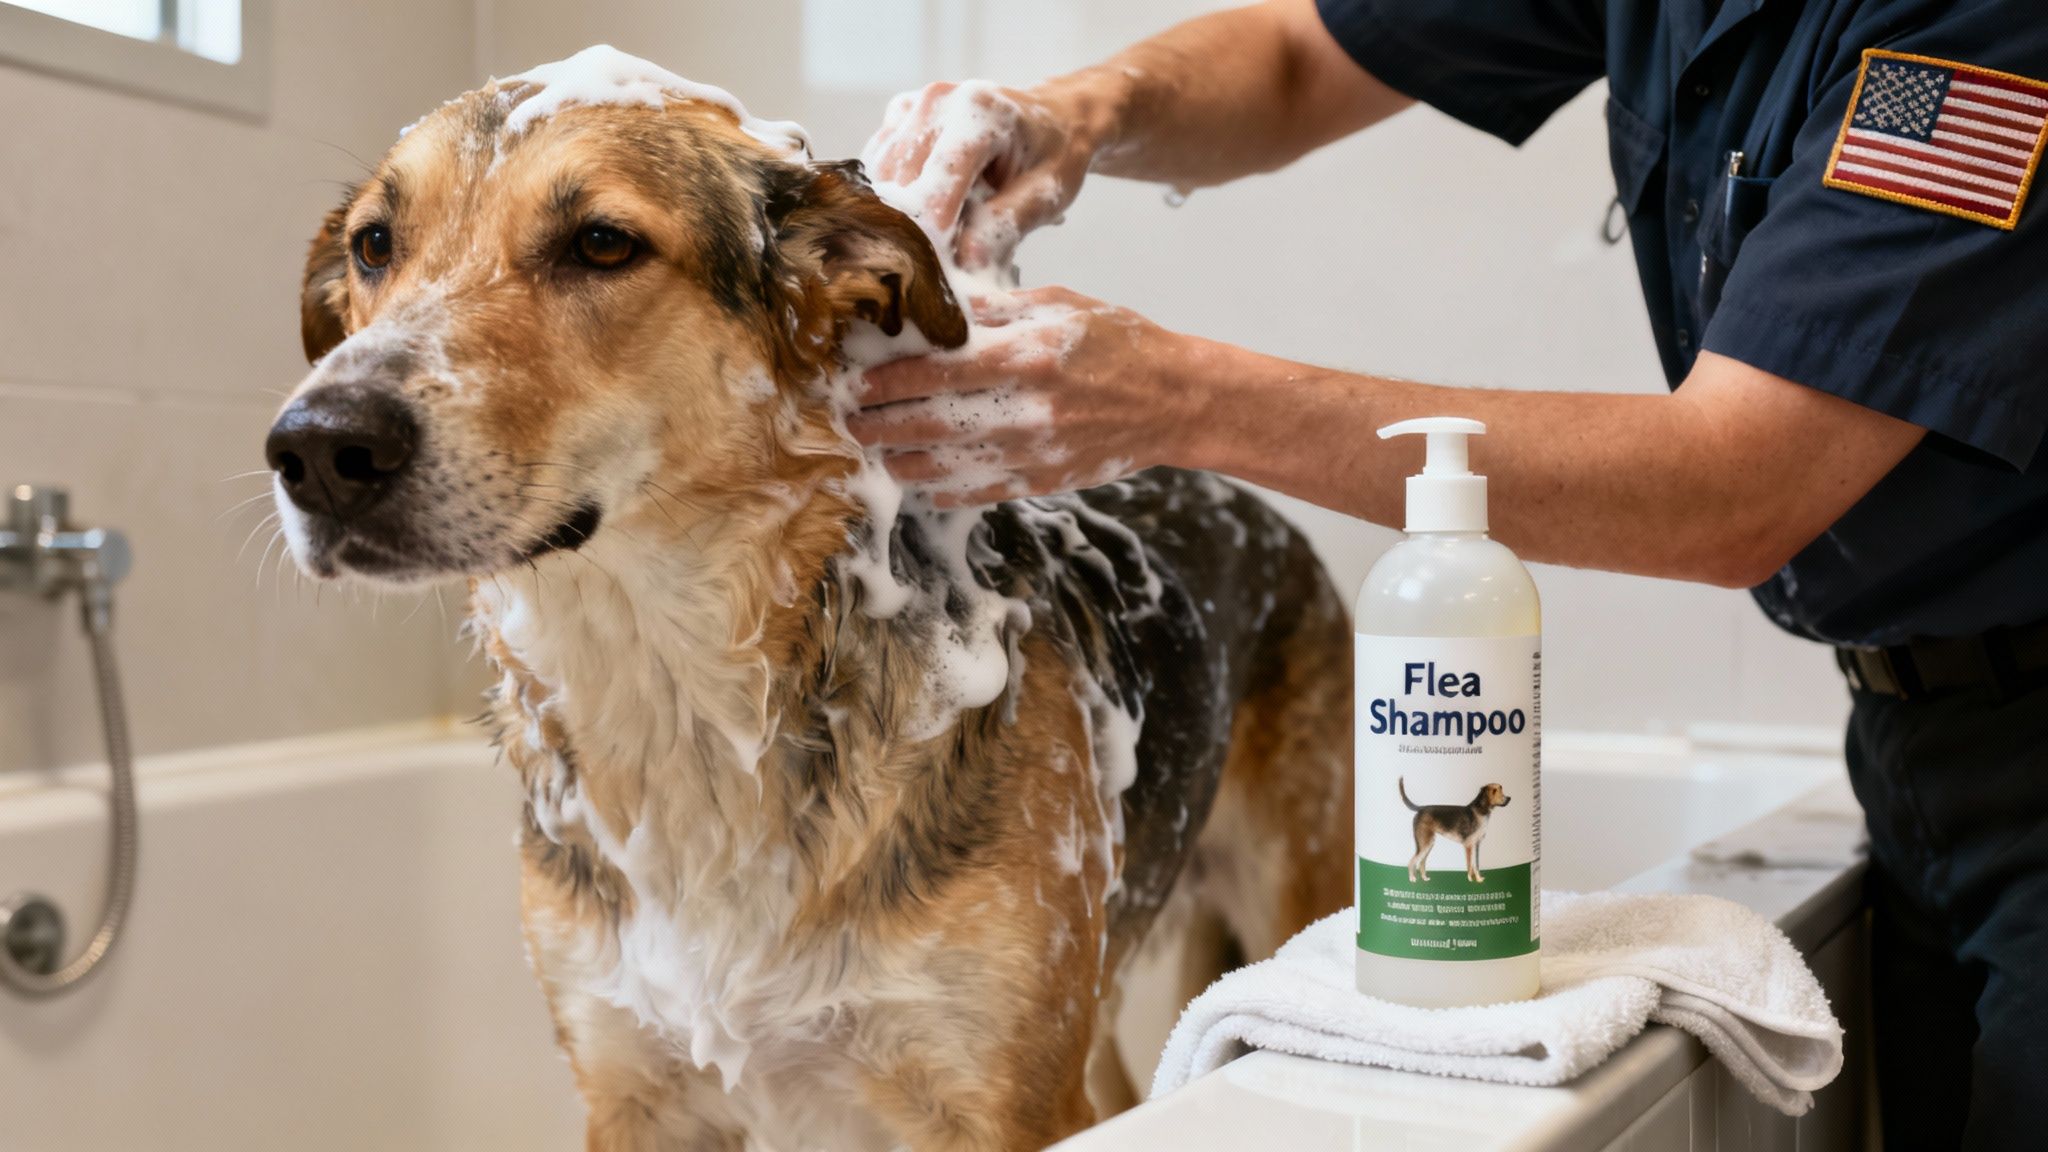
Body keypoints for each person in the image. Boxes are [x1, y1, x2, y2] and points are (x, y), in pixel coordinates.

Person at [851, 0, 2048, 1146]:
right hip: (1906, 741)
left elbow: (1735, 488)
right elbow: (1294, 52)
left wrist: (1171, 396)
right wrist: (1072, 110)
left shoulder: (1975, 28)